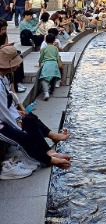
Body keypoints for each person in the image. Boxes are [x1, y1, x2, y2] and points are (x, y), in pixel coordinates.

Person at [0, 45, 71, 173]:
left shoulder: (4, 77)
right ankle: (49, 160)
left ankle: (49, 150)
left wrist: (18, 114)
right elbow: (4, 112)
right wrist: (17, 124)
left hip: (4, 116)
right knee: (23, 137)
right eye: (15, 63)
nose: (18, 66)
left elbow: (7, 104)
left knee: (30, 119)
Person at [38, 33, 62, 101]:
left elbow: (41, 57)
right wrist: (58, 64)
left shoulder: (44, 49)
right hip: (54, 64)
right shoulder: (55, 48)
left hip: (47, 64)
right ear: (54, 40)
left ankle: (46, 92)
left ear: (45, 40)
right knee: (54, 77)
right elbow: (57, 57)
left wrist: (39, 63)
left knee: (44, 79)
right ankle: (52, 90)